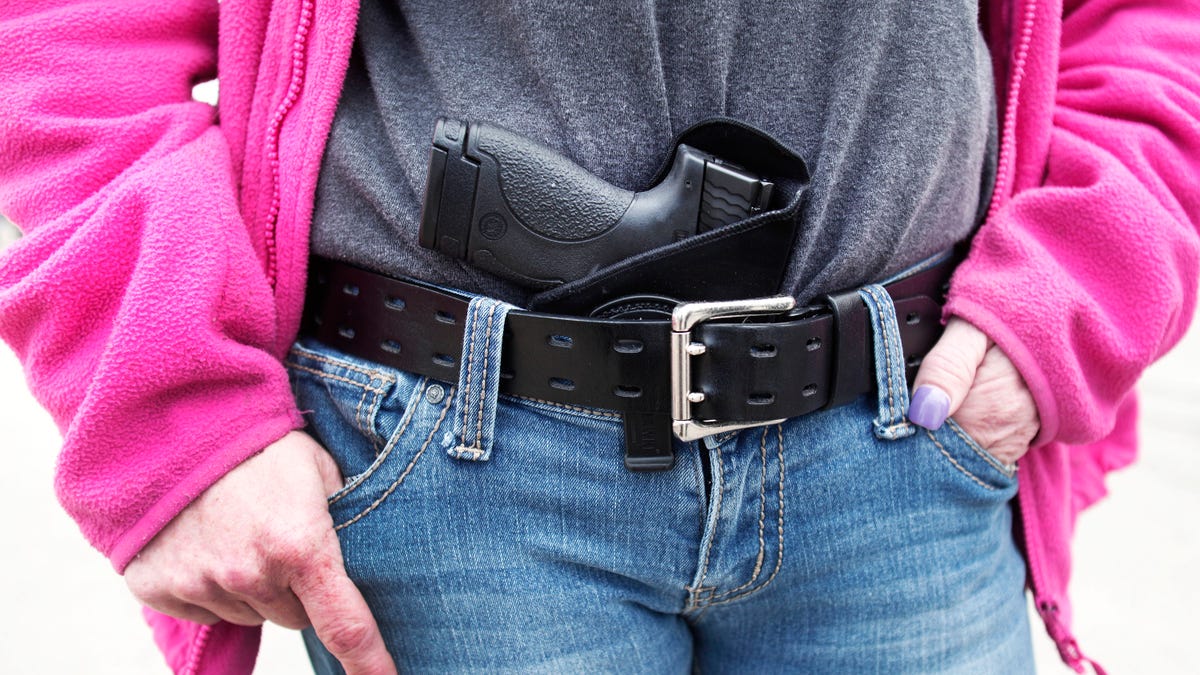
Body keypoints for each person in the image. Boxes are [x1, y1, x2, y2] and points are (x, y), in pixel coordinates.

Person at [1, 0, 1197, 673]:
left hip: (898, 454)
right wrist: (180, 413)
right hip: (462, 470)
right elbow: (69, 41)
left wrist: (1080, 282)